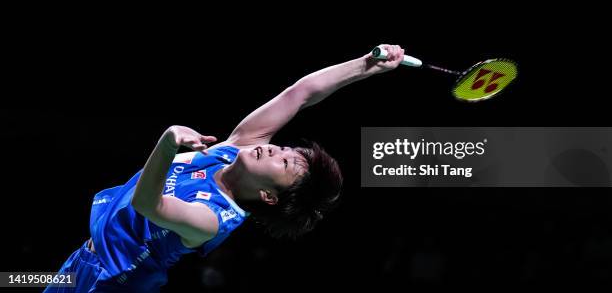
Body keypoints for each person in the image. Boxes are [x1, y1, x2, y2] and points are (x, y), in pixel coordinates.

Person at [44, 44, 406, 292]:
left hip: (108, 285)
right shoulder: (235, 149)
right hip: (79, 262)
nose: (274, 149)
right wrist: (365, 66)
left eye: (283, 163)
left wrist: (167, 146)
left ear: (268, 195)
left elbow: (148, 204)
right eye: (284, 148)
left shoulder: (211, 219)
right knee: (13, 280)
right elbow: (300, 94)